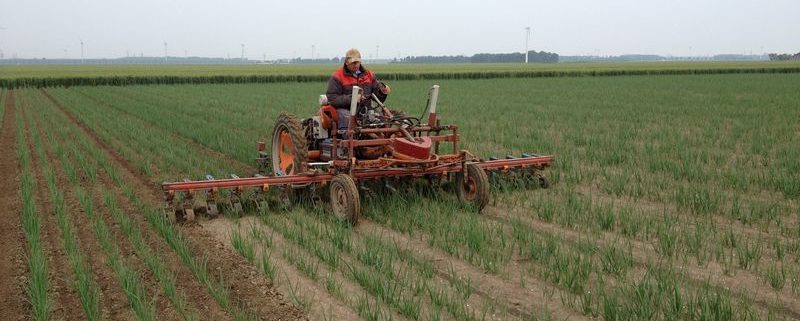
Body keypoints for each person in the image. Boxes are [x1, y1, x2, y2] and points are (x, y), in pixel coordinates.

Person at [326, 48, 391, 130]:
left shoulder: (369, 75)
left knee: (381, 120)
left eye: (358, 62)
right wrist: (353, 99)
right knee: (348, 120)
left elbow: (376, 96)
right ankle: (347, 139)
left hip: (365, 109)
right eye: (353, 63)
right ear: (346, 62)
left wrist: (382, 92)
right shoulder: (337, 77)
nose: (356, 65)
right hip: (345, 109)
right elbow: (332, 99)